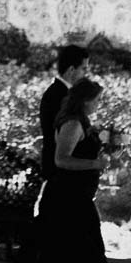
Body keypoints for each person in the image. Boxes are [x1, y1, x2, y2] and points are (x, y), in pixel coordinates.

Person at [35, 78, 109, 263]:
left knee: (80, 252)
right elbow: (61, 159)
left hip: (78, 195)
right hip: (67, 197)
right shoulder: (73, 124)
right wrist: (95, 163)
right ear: (85, 100)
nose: (98, 104)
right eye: (97, 100)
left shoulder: (82, 122)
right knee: (81, 251)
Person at [38, 45, 89, 186]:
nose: (86, 74)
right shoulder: (59, 96)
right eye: (83, 69)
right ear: (72, 70)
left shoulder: (61, 93)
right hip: (60, 173)